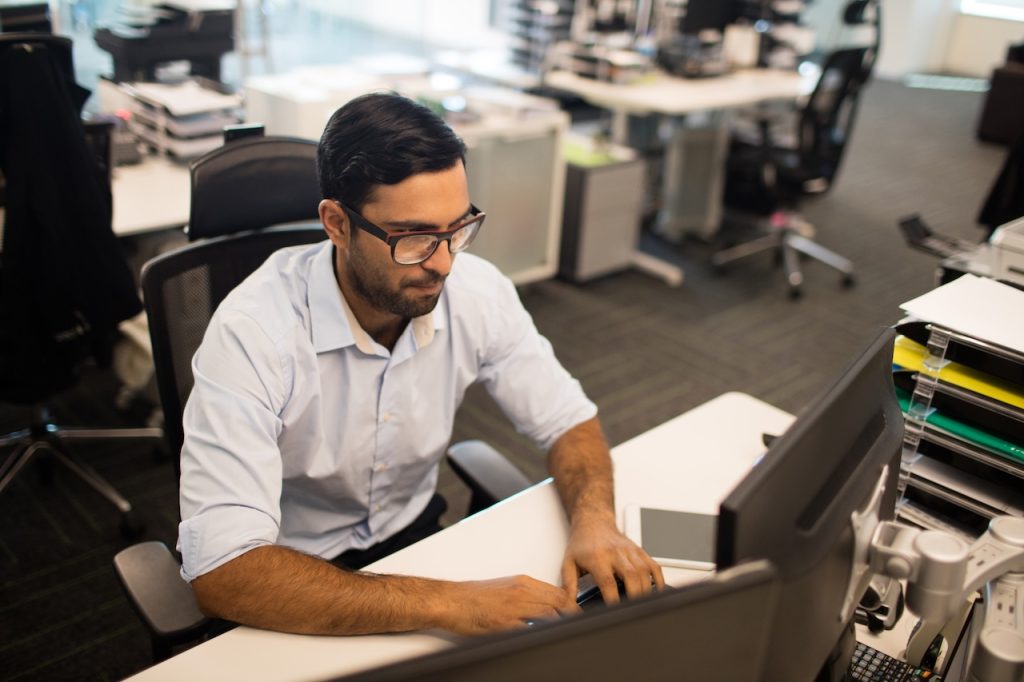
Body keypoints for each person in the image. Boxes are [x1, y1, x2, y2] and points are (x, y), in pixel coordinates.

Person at [178, 92, 664, 637]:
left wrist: (596, 521)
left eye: (457, 229)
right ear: (337, 224)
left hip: (415, 539)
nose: (443, 263)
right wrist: (448, 604)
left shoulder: (476, 292)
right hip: (291, 571)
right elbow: (222, 570)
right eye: (413, 238)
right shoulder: (254, 333)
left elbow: (567, 420)